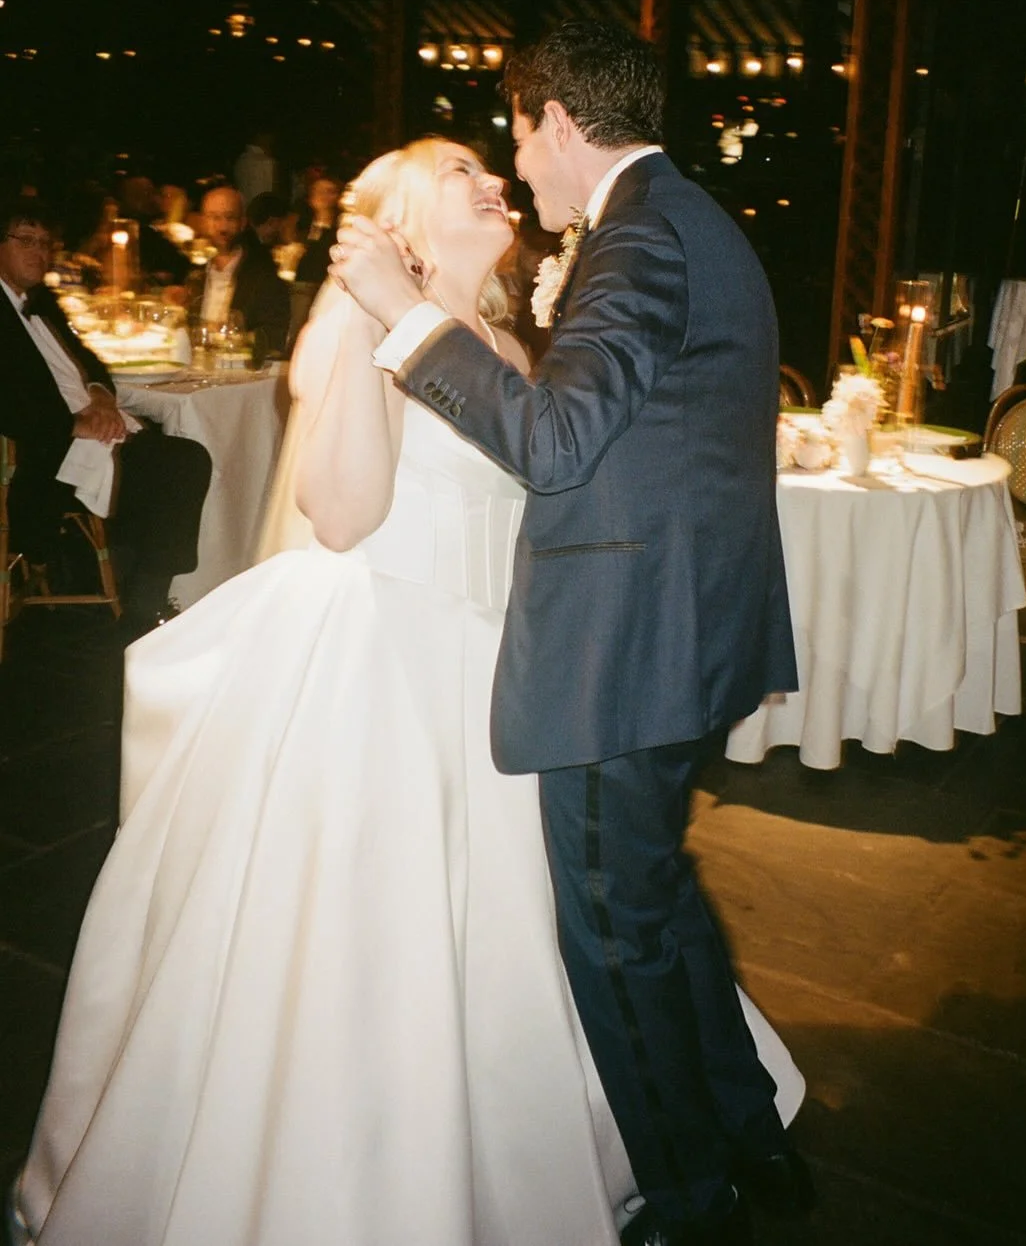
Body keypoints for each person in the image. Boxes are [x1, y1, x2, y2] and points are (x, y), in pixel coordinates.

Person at [9, 140, 803, 1246]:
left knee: (552, 923)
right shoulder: (362, 321)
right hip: (390, 661)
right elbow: (338, 517)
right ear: (401, 222)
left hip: (501, 661)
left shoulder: (508, 335)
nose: (490, 177)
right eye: (455, 169)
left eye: (494, 162)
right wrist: (364, 326)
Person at [329, 22, 805, 1246]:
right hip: (676, 633)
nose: (513, 165)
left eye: (517, 132)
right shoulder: (682, 217)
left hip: (622, 652)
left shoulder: (639, 233)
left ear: (554, 119)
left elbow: (552, 445)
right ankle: (749, 1132)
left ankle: (695, 1203)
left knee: (617, 937)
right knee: (658, 905)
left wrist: (401, 314)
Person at [0, 198, 211, 631]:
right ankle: (143, 605)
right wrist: (72, 424)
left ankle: (145, 593)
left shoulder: (42, 301)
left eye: (46, 243)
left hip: (86, 431)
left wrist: (98, 394)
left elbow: (91, 362)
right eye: (26, 240)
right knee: (177, 462)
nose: (39, 252)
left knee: (178, 457)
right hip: (39, 456)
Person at [184, 184, 290, 356]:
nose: (222, 227)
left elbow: (273, 335)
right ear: (203, 221)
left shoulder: (263, 274)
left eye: (229, 217)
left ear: (242, 223)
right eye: (214, 217)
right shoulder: (193, 271)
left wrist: (234, 336)